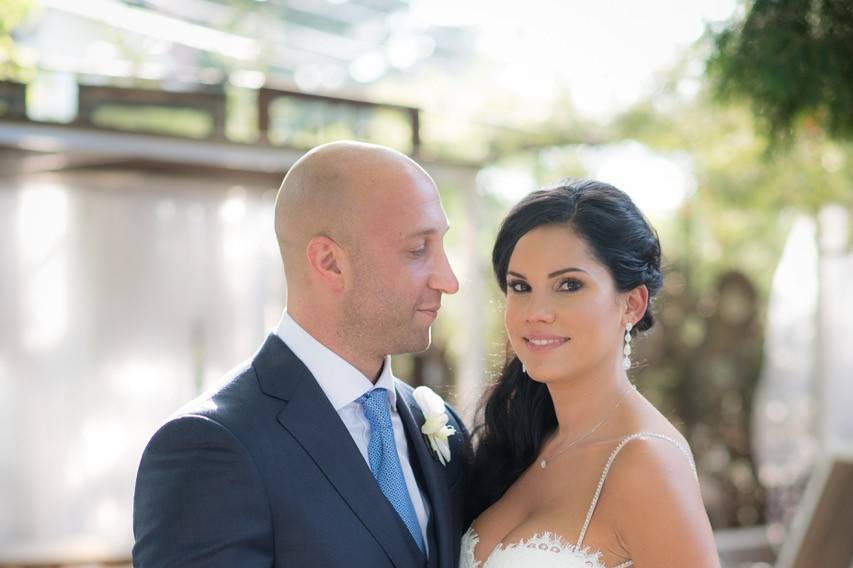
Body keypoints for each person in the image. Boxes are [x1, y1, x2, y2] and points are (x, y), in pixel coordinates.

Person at [133, 141, 468, 568]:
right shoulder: (210, 447)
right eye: (418, 250)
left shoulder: (439, 427)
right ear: (329, 262)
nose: (449, 279)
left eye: (442, 246)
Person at [461, 180, 720, 567]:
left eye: (568, 285)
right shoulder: (524, 442)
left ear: (632, 304)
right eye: (520, 286)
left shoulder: (646, 461)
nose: (536, 311)